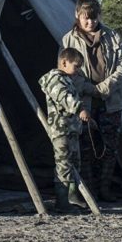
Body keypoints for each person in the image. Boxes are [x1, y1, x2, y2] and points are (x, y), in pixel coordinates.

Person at [61, 0, 122, 202]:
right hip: (84, 102)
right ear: (78, 16)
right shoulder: (69, 40)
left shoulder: (113, 37)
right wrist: (90, 89)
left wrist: (104, 88)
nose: (90, 21)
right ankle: (89, 191)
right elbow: (67, 71)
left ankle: (105, 188)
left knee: (110, 147)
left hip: (110, 102)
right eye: (85, 17)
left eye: (93, 17)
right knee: (85, 148)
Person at [39, 47, 92, 213]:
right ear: (64, 62)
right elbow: (64, 98)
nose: (77, 71)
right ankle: (62, 202)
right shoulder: (55, 80)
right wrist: (79, 109)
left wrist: (86, 118)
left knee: (75, 163)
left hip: (72, 128)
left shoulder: (67, 79)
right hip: (61, 129)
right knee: (63, 165)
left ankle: (72, 196)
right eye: (76, 66)